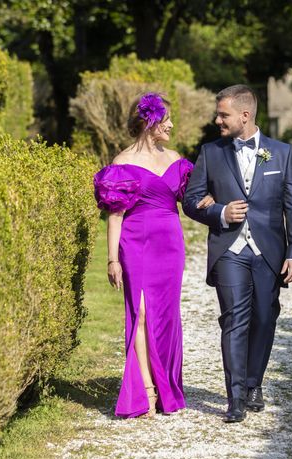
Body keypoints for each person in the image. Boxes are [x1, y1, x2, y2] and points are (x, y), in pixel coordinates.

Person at [182, 84, 292, 423]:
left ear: (244, 115)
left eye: (223, 114)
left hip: (269, 251)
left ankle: (254, 383)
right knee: (234, 320)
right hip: (229, 251)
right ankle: (235, 398)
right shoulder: (210, 152)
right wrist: (220, 212)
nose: (217, 120)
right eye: (218, 114)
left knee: (265, 318)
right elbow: (191, 200)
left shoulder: (282, 153)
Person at [93, 92, 213, 418]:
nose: (172, 125)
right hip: (135, 242)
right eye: (167, 120)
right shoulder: (122, 163)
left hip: (170, 244)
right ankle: (145, 389)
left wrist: (223, 208)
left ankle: (166, 386)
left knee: (166, 314)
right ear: (150, 122)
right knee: (142, 312)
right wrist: (112, 259)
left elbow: (196, 201)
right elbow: (114, 216)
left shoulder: (175, 158)